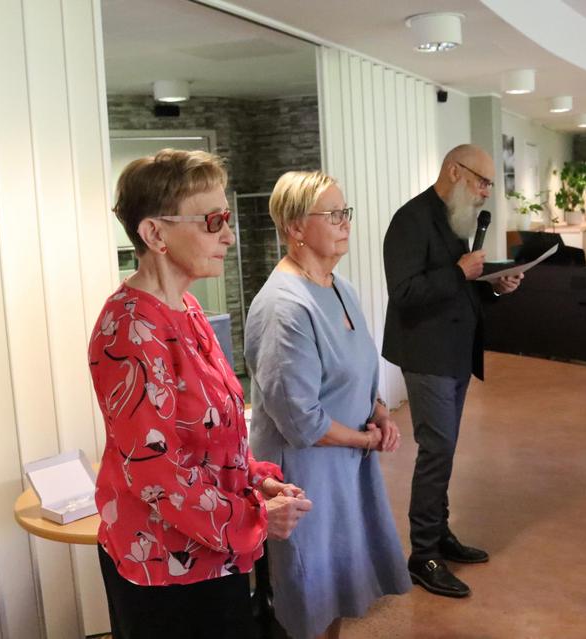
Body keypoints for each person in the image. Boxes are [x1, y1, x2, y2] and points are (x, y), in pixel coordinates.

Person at [88, 149, 312, 639]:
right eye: (213, 221)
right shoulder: (130, 329)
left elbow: (212, 435)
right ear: (155, 234)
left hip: (210, 550)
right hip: (165, 566)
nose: (229, 235)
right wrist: (255, 517)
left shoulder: (186, 308)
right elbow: (156, 474)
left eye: (225, 219)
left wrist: (256, 482)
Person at [245, 171, 410, 639]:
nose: (345, 223)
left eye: (345, 212)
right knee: (307, 595)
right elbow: (301, 420)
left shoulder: (341, 287)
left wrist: (379, 410)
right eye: (333, 214)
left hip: (345, 465)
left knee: (337, 587)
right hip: (305, 475)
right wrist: (366, 440)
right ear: (295, 227)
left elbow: (358, 369)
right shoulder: (284, 307)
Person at [382, 144, 522, 598]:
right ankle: (423, 555)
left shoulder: (455, 218)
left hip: (455, 351)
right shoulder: (410, 220)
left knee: (444, 451)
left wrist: (495, 286)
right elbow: (405, 293)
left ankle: (439, 535)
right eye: (481, 181)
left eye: (489, 185)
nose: (485, 192)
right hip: (427, 354)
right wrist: (461, 272)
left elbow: (457, 286)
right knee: (436, 451)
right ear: (453, 171)